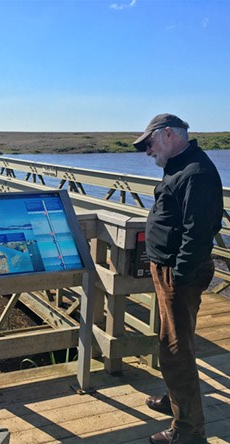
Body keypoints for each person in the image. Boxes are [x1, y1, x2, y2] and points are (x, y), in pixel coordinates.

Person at [133, 114, 223, 444]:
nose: (146, 151)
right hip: (169, 270)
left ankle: (187, 431)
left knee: (176, 350)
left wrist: (180, 277)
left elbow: (198, 232)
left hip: (178, 273)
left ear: (168, 134)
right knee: (171, 341)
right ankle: (175, 402)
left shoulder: (196, 173)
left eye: (149, 143)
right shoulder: (181, 166)